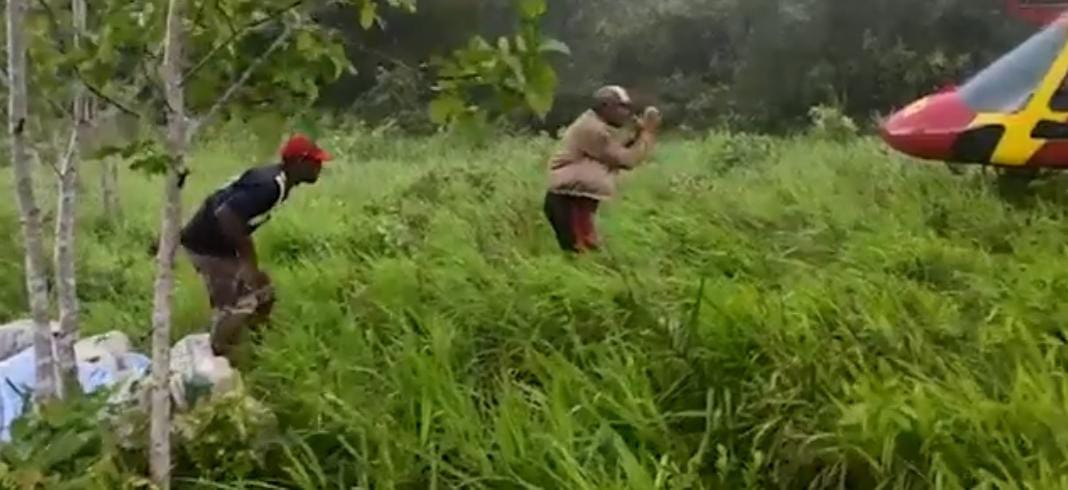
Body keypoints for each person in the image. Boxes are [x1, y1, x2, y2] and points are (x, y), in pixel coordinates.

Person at [179, 133, 331, 359]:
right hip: (207, 246)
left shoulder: (278, 181)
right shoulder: (270, 185)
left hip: (218, 242)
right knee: (242, 302)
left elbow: (221, 201)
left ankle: (254, 344)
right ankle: (216, 357)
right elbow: (226, 215)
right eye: (315, 162)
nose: (319, 167)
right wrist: (248, 263)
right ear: (299, 164)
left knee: (264, 292)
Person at [543, 85, 661, 253]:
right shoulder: (593, 129)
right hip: (569, 199)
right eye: (622, 107)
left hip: (576, 199)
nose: (627, 113)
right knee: (583, 252)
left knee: (586, 251)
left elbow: (617, 151)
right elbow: (626, 160)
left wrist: (638, 135)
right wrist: (648, 133)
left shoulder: (595, 125)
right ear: (605, 106)